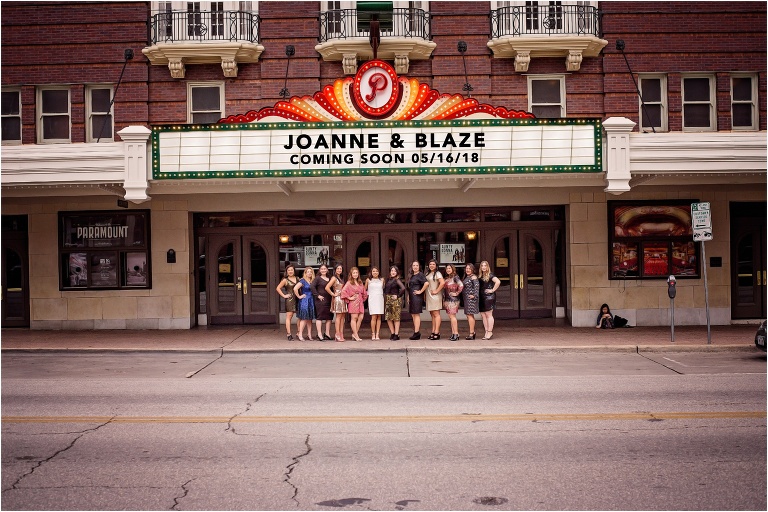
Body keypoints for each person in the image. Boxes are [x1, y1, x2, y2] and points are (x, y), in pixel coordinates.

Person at [341, 267, 368, 342]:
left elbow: (364, 292)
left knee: (361, 317)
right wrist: (349, 298)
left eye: (356, 273)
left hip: (360, 302)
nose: (355, 274)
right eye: (354, 273)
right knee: (354, 318)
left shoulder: (360, 282)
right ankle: (356, 335)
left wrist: (362, 299)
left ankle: (354, 334)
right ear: (351, 274)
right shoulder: (349, 282)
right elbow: (343, 291)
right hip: (353, 302)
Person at [478, 260, 501, 340]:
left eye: (485, 266)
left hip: (488, 297)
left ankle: (490, 331)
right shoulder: (480, 276)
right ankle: (486, 331)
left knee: (488, 314)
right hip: (481, 297)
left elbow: (498, 282)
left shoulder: (490, 275)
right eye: (482, 266)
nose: (483, 267)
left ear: (488, 267)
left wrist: (492, 290)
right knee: (483, 315)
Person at [406, 261, 429, 340]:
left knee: (416, 314)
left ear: (419, 267)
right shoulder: (412, 275)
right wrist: (409, 295)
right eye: (414, 265)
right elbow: (410, 286)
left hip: (417, 297)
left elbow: (426, 283)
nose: (415, 267)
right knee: (413, 314)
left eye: (417, 265)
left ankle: (417, 332)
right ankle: (416, 331)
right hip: (412, 296)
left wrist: (420, 291)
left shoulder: (420, 275)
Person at [275, 264, 298, 340]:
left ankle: (299, 332)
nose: (290, 271)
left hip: (298, 298)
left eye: (292, 270)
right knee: (289, 316)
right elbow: (278, 288)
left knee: (300, 317)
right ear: (286, 272)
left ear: (294, 270)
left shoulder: (298, 278)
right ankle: (289, 334)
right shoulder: (285, 280)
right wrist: (284, 295)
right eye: (289, 270)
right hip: (290, 299)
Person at [293, 267, 316, 341]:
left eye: (311, 272)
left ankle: (309, 334)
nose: (309, 273)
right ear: (305, 273)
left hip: (311, 300)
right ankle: (300, 334)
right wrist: (299, 296)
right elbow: (295, 288)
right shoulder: (303, 281)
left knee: (310, 319)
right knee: (304, 318)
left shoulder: (312, 281)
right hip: (305, 301)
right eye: (308, 272)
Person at [325, 264, 347, 342]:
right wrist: (333, 294)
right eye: (338, 268)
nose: (339, 270)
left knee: (342, 317)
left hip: (343, 297)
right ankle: (337, 334)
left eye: (340, 269)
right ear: (335, 269)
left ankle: (341, 333)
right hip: (338, 298)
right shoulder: (334, 278)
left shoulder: (341, 277)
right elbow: (327, 287)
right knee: (338, 316)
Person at [442, 263, 464, 342]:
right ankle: (453, 333)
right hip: (448, 300)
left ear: (453, 269)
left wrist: (456, 293)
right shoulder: (448, 278)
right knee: (451, 317)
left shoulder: (455, 277)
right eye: (447, 268)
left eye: (449, 268)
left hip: (453, 300)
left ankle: (456, 333)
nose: (448, 270)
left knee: (452, 317)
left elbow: (461, 285)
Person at [312, 263, 333, 341]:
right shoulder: (317, 278)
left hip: (329, 299)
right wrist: (317, 295)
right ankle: (319, 334)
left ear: (327, 270)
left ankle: (327, 333)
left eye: (325, 269)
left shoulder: (330, 278)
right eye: (322, 269)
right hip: (320, 301)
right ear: (319, 270)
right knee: (320, 317)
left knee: (329, 317)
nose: (323, 270)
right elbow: (312, 287)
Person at [384, 265, 406, 340]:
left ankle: (396, 334)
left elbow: (403, 288)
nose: (393, 272)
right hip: (388, 299)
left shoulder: (397, 280)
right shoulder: (388, 279)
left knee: (396, 318)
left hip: (395, 300)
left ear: (397, 272)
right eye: (392, 271)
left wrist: (398, 296)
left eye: (395, 271)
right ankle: (392, 333)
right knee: (388, 318)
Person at [425, 259, 445, 340]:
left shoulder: (438, 273)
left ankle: (437, 332)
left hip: (435, 296)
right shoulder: (428, 273)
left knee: (436, 314)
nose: (432, 265)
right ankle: (433, 331)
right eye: (430, 264)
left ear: (436, 266)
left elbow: (442, 283)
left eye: (433, 264)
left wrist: (437, 290)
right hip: (429, 295)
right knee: (432, 314)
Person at [365, 266, 385, 340]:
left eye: (376, 271)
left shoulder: (382, 280)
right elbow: (365, 290)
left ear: (378, 272)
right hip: (372, 299)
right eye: (373, 271)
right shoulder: (368, 280)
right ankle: (373, 333)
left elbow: (383, 289)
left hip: (379, 298)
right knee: (373, 317)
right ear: (371, 272)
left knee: (379, 316)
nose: (375, 272)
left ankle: (377, 334)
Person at [462, 263, 479, 340]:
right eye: (467, 268)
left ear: (472, 269)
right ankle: (472, 332)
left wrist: (475, 295)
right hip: (466, 298)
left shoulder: (473, 277)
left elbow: (476, 287)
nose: (467, 270)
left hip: (471, 299)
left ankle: (472, 333)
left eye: (469, 268)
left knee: (470, 315)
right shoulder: (467, 277)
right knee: (468, 315)